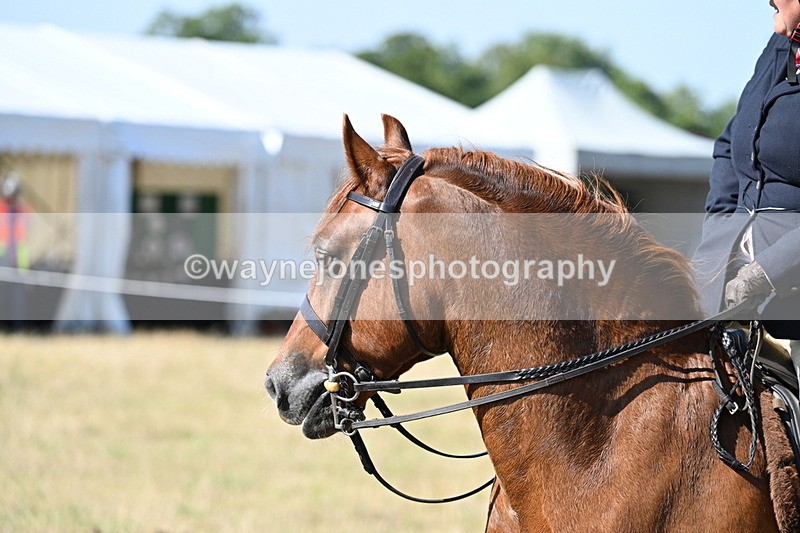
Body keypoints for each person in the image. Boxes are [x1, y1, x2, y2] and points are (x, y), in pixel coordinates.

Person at [693, 1, 800, 375]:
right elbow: (729, 145)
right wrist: (721, 231)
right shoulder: (779, 46)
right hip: (728, 286)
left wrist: (764, 273)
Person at [0, 172, 31, 328]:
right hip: (2, 259)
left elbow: (22, 241)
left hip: (17, 261)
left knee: (17, 298)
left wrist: (24, 269)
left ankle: (17, 327)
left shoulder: (24, 212)